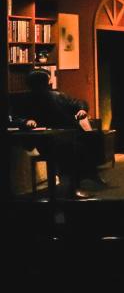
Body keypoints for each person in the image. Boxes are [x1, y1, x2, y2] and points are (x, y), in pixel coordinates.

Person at [12, 69, 103, 199]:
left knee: (93, 137)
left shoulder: (58, 96)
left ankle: (91, 173)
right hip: (45, 140)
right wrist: (26, 121)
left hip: (64, 135)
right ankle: (73, 187)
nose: (45, 86)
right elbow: (14, 118)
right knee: (73, 148)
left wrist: (82, 109)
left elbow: (78, 102)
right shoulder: (24, 100)